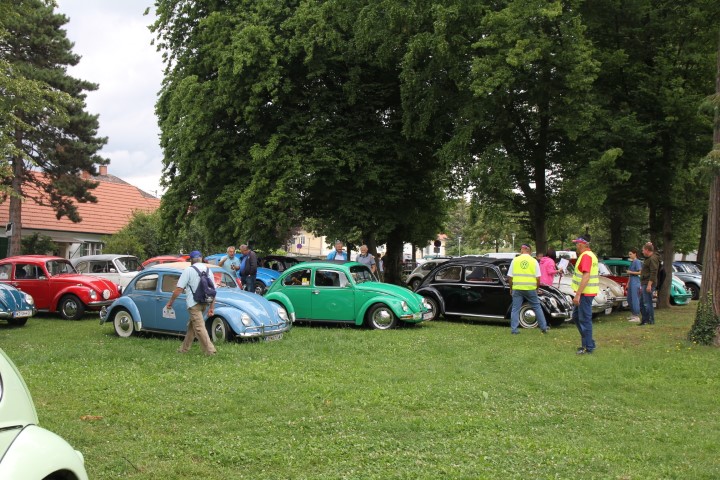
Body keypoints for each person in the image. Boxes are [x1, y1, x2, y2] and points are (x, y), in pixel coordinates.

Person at [165, 250, 217, 356]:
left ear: (191, 260)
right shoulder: (208, 270)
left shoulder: (188, 270)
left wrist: (170, 302)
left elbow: (179, 288)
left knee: (199, 327)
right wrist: (212, 307)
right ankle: (184, 349)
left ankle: (211, 351)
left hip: (193, 304)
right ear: (201, 258)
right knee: (192, 326)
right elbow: (213, 291)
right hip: (205, 302)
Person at [507, 244, 548, 335]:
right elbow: (538, 278)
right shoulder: (534, 261)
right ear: (529, 251)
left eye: (521, 248)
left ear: (524, 249)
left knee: (515, 308)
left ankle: (514, 329)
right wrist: (537, 288)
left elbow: (510, 277)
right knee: (537, 307)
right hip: (530, 288)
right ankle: (543, 327)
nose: (520, 250)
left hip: (517, 288)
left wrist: (511, 288)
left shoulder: (515, 260)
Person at [570, 235, 597, 354]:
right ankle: (588, 341)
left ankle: (588, 347)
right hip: (585, 293)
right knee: (576, 317)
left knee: (584, 320)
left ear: (582, 244)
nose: (576, 245)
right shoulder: (589, 255)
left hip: (585, 294)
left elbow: (586, 276)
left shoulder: (586, 256)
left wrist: (578, 295)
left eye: (577, 243)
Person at [639, 242, 659, 325]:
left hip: (648, 283)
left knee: (647, 302)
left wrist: (649, 285)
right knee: (642, 302)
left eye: (643, 250)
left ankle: (650, 320)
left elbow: (653, 272)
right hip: (644, 282)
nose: (642, 252)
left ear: (647, 250)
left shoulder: (652, 259)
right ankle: (645, 319)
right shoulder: (648, 258)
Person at [626, 248, 642, 323]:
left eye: (631, 254)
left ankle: (636, 315)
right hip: (631, 281)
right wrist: (628, 283)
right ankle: (633, 313)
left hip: (636, 282)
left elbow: (640, 272)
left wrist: (631, 272)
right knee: (629, 298)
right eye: (629, 254)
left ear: (635, 254)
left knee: (635, 298)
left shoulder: (637, 262)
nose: (629, 255)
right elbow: (630, 275)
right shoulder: (632, 262)